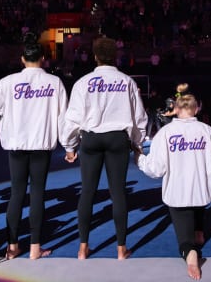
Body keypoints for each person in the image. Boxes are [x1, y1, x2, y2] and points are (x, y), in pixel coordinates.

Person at [135, 94, 211, 281]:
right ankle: (199, 231)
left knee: (184, 238)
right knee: (197, 191)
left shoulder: (165, 134)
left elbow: (155, 169)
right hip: (201, 192)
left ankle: (191, 254)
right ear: (197, 109)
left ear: (176, 109)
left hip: (177, 194)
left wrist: (140, 159)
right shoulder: (207, 131)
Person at [0, 33, 68, 260]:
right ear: (43, 58)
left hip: (16, 145)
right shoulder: (54, 83)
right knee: (37, 194)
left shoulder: (9, 82)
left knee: (17, 193)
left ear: (22, 59)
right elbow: (63, 117)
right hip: (41, 145)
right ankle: (35, 248)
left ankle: (12, 247)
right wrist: (70, 145)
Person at [61, 37, 147, 260]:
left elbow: (72, 118)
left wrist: (69, 146)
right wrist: (138, 143)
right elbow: (139, 117)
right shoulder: (126, 81)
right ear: (115, 56)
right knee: (117, 192)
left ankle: (82, 247)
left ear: (95, 56)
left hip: (90, 139)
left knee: (87, 191)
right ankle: (121, 249)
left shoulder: (82, 82)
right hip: (117, 139)